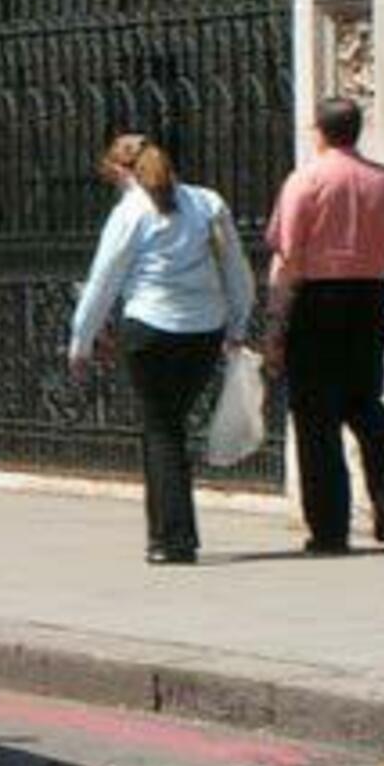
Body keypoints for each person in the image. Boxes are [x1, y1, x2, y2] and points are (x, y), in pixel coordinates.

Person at [67, 133, 258, 566]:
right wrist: (239, 323)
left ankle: (172, 538)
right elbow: (237, 269)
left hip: (150, 329)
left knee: (161, 429)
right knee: (172, 425)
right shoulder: (208, 203)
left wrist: (80, 340)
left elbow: (104, 280)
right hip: (204, 331)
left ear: (121, 172)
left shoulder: (131, 212)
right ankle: (174, 534)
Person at [266, 96, 384, 553]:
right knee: (365, 402)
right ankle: (383, 486)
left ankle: (330, 528)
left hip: (318, 299)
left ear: (318, 131)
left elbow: (289, 258)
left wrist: (276, 327)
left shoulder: (306, 180)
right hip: (372, 296)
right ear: (357, 130)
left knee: (316, 419)